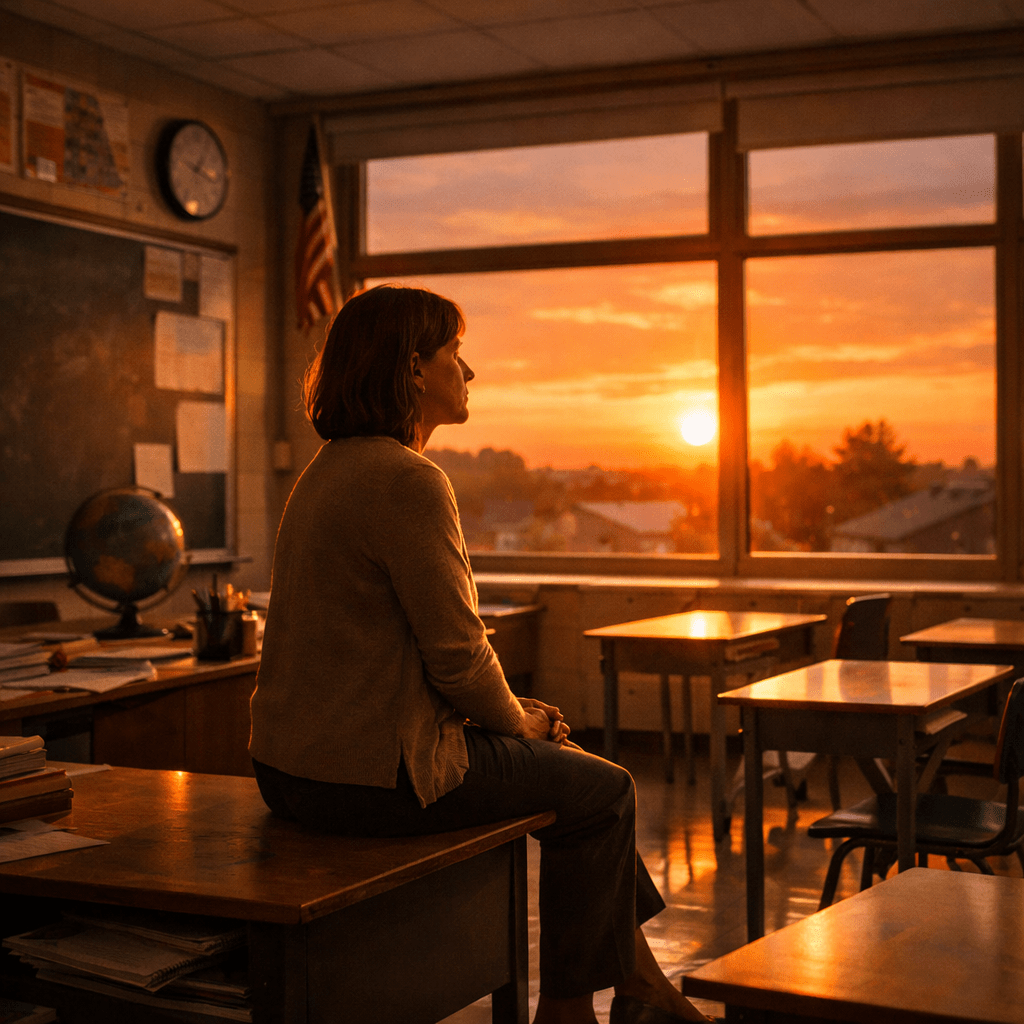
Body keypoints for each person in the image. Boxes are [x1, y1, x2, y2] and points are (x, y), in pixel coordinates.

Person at [249, 284, 714, 1024]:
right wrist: (517, 722)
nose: (469, 373)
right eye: (455, 355)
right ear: (413, 370)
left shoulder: (327, 471)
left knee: (580, 778)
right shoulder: (409, 480)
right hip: (369, 776)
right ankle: (566, 1010)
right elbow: (460, 659)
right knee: (604, 791)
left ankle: (641, 986)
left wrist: (505, 719)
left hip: (292, 767)